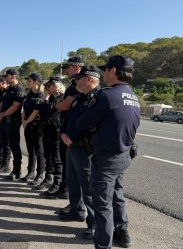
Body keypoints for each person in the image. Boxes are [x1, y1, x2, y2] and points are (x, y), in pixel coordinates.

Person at [76, 55, 140, 249]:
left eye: (105, 69)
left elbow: (82, 124)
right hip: (124, 155)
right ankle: (122, 234)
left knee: (102, 206)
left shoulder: (107, 95)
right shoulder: (133, 96)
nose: (103, 73)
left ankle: (103, 245)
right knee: (117, 195)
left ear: (113, 71)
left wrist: (97, 127)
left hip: (107, 158)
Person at [59, 66, 101, 240]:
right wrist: (63, 134)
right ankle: (77, 211)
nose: (76, 81)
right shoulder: (80, 97)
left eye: (79, 78)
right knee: (72, 181)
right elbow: (68, 119)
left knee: (89, 188)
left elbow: (95, 126)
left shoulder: (99, 98)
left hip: (85, 149)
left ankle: (95, 224)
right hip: (71, 145)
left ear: (89, 79)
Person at [55, 56, 84, 199]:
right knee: (66, 163)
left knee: (73, 167)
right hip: (66, 128)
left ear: (76, 67)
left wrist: (57, 104)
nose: (66, 71)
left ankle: (70, 196)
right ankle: (66, 191)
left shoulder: (79, 85)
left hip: (73, 132)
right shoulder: (74, 85)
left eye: (68, 67)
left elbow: (64, 105)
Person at [33, 77, 65, 190]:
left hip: (56, 130)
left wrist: (46, 98)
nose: (47, 88)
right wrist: (46, 98)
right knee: (48, 156)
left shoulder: (62, 98)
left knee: (56, 157)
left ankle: (57, 183)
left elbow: (50, 110)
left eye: (49, 86)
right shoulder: (50, 97)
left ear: (57, 86)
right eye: (46, 86)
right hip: (47, 129)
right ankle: (48, 179)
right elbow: (41, 110)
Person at [0, 69, 26, 180]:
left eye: (7, 76)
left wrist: (2, 114)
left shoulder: (19, 90)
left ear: (13, 76)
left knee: (14, 146)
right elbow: (3, 103)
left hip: (12, 121)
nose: (5, 78)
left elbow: (15, 106)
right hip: (4, 120)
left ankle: (17, 170)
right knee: (4, 144)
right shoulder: (8, 89)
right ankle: (5, 165)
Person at [22, 73, 45, 183]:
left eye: (29, 80)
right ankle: (31, 172)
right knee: (31, 150)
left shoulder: (40, 94)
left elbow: (36, 111)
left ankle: (40, 174)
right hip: (27, 125)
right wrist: (23, 120)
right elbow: (25, 109)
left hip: (36, 125)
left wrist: (27, 121)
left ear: (36, 82)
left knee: (39, 151)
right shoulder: (29, 94)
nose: (27, 82)